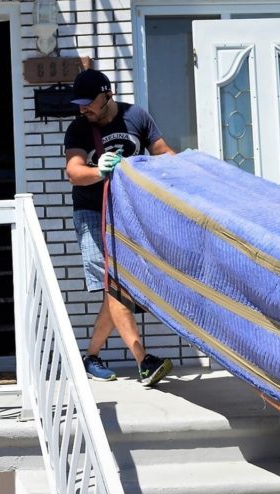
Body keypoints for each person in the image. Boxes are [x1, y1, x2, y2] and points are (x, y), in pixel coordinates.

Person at [63, 69, 175, 385]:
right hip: (92, 211)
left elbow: (163, 153)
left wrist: (188, 174)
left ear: (107, 94)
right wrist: (97, 170)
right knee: (115, 287)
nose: (83, 109)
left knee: (118, 289)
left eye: (89, 103)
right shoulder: (79, 128)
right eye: (79, 104)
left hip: (127, 212)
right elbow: (73, 171)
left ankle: (91, 358)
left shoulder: (135, 117)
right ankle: (144, 360)